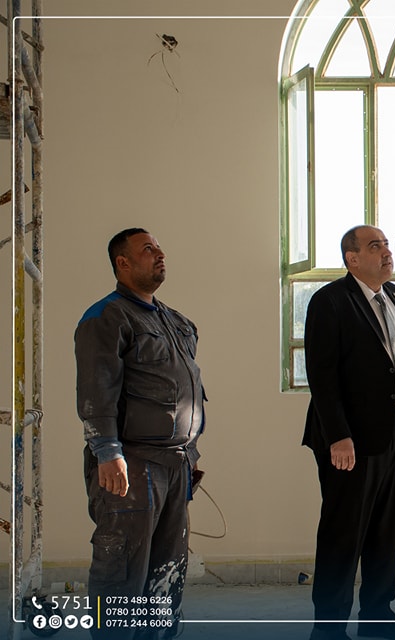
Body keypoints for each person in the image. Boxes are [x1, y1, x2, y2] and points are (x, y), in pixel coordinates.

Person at [75, 228, 205, 639]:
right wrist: (107, 451)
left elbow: (185, 391)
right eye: (148, 249)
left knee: (167, 570)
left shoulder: (176, 322)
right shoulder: (106, 317)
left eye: (159, 247)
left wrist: (191, 454)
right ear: (123, 263)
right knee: (122, 569)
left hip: (175, 464)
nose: (159, 253)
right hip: (132, 465)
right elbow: (97, 389)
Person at [302, 225, 395, 640]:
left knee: (384, 534)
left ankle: (377, 616)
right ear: (352, 259)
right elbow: (321, 374)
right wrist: (338, 435)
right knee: (342, 536)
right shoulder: (330, 301)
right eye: (376, 246)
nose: (387, 252)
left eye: (387, 245)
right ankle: (329, 628)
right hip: (350, 441)